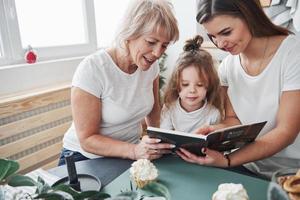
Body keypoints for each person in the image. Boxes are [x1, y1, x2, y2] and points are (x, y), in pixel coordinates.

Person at [177, 0, 300, 179]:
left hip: (291, 172)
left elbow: (286, 131)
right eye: (212, 36)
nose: (220, 43)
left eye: (226, 32)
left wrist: (228, 160)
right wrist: (215, 131)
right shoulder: (227, 67)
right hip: (247, 165)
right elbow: (233, 119)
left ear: (250, 16)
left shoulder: (293, 54)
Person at [58, 0, 179, 165]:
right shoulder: (93, 69)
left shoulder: (151, 66)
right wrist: (134, 151)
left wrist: (157, 141)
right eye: (151, 42)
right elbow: (87, 139)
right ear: (130, 34)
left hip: (127, 154)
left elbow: (153, 111)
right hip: (84, 158)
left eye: (164, 46)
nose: (158, 53)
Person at [160, 35, 223, 133]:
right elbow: (164, 136)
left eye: (200, 85)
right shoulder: (169, 109)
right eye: (185, 84)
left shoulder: (213, 114)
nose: (192, 90)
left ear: (209, 86)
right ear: (176, 85)